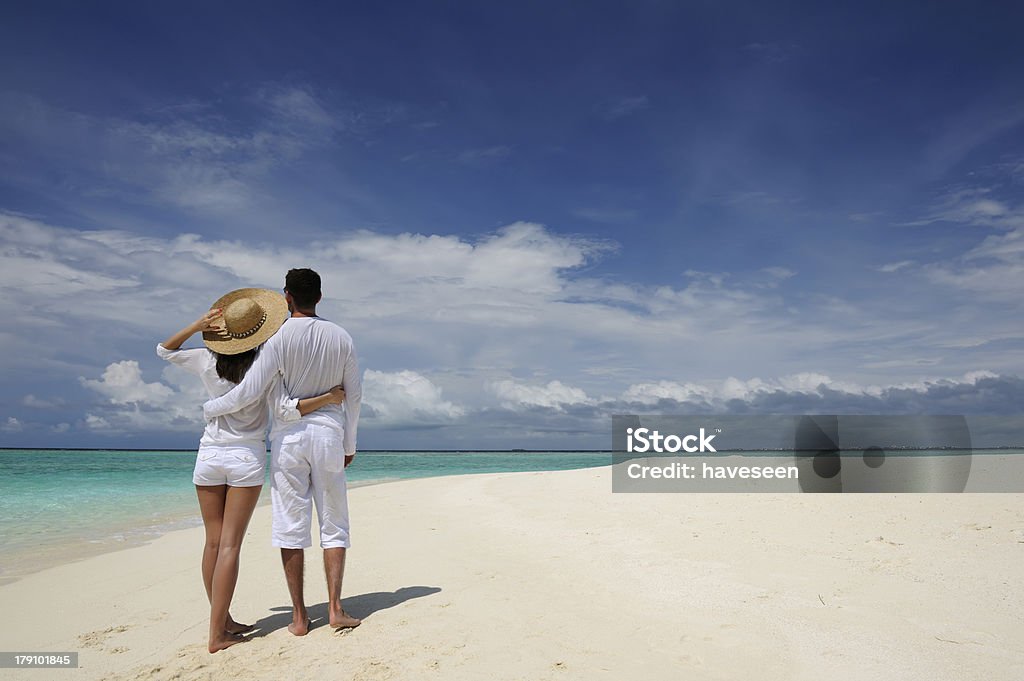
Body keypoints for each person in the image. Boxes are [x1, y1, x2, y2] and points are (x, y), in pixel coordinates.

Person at [158, 288, 346, 653]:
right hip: (245, 458)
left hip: (209, 455)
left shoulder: (204, 359)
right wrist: (328, 398)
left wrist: (198, 325)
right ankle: (217, 633)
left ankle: (222, 619)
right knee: (229, 545)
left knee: (212, 542)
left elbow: (164, 350)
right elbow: (286, 411)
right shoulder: (267, 362)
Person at [203, 268, 362, 636]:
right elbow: (354, 396)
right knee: (333, 522)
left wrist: (211, 409)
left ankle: (299, 616)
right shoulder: (341, 337)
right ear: (320, 297)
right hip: (328, 436)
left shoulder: (276, 339)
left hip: (289, 441)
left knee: (291, 524)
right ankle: (336, 609)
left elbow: (248, 393)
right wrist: (349, 444)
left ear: (286, 297)